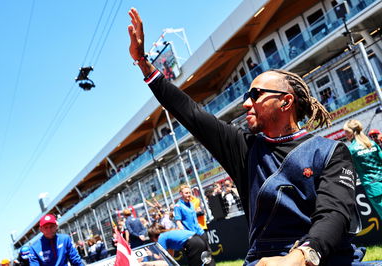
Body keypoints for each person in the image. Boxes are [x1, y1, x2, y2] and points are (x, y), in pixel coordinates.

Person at [127, 7, 363, 265]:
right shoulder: (244, 148)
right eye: (245, 97)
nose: (246, 104)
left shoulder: (330, 152)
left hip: (323, 257)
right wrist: (143, 62)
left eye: (256, 95)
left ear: (285, 102)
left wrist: (300, 256)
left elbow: (334, 213)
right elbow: (190, 113)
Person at [344, 120, 382, 220]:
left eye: (346, 132)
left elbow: (349, 170)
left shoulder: (351, 150)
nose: (345, 135)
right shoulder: (372, 143)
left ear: (351, 133)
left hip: (373, 188)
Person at [148, 223, 212, 266]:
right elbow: (169, 257)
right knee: (207, 262)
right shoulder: (167, 234)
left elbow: (162, 259)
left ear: (153, 237)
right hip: (199, 238)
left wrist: (151, 256)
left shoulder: (161, 237)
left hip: (192, 243)